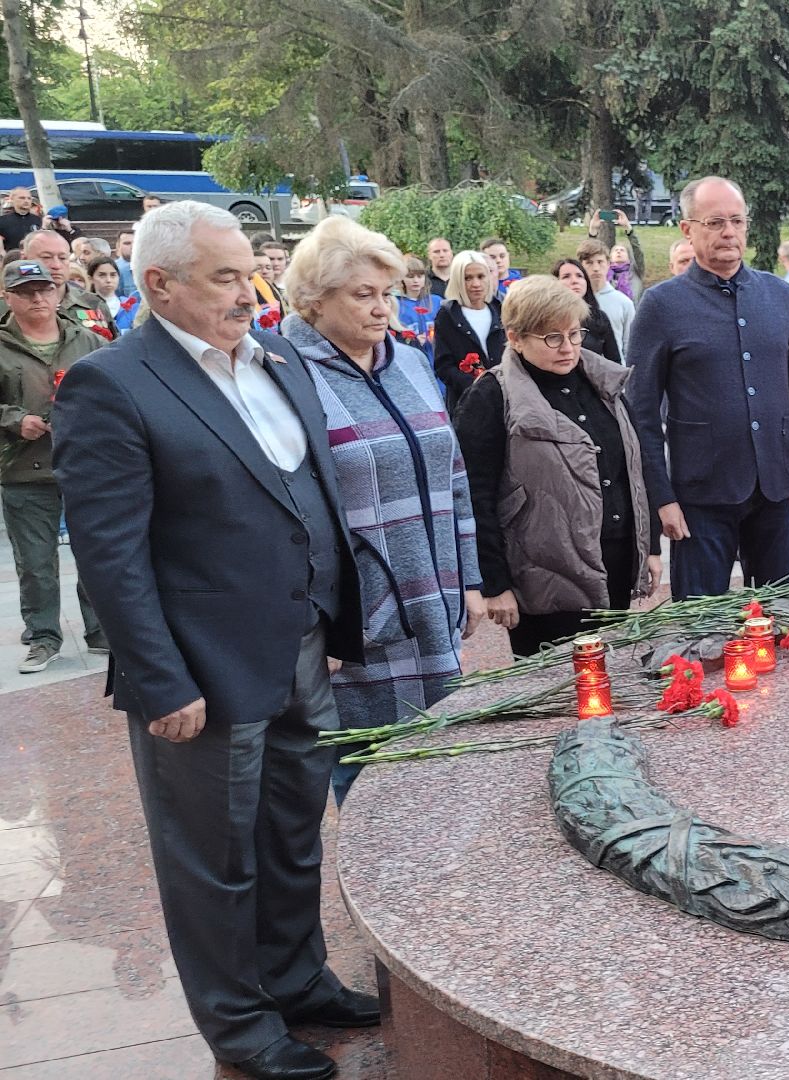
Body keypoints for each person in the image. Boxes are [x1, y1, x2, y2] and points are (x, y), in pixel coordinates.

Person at [52, 200, 379, 1080]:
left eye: (251, 274)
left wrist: (329, 613)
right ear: (158, 284)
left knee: (291, 833)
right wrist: (160, 681)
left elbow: (300, 495)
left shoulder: (274, 360)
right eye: (225, 278)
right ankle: (240, 1026)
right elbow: (111, 555)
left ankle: (297, 980)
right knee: (214, 859)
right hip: (201, 670)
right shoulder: (112, 384)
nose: (248, 293)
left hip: (300, 646)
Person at [276, 216, 484, 803]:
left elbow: (454, 475)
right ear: (314, 300)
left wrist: (470, 579)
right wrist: (316, 621)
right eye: (362, 294)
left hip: (434, 595)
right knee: (369, 773)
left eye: (387, 293)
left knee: (440, 766)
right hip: (358, 613)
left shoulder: (410, 362)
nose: (381, 308)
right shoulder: (286, 374)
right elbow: (285, 511)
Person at [624, 175, 789, 600]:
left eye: (737, 220)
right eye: (715, 222)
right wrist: (661, 498)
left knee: (780, 616)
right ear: (687, 229)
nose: (729, 232)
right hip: (700, 496)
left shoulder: (778, 295)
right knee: (701, 623)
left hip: (775, 488)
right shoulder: (661, 306)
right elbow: (640, 413)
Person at [456, 275, 660, 655]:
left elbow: (634, 466)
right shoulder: (492, 395)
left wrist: (649, 545)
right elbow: (474, 497)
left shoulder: (601, 382)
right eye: (552, 338)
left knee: (609, 674)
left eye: (574, 333)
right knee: (556, 683)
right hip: (543, 579)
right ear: (516, 338)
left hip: (613, 562)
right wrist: (494, 584)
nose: (567, 347)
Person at [0, 259, 106, 673]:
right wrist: (14, 420)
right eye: (26, 292)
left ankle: (101, 630)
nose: (38, 298)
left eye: (45, 289)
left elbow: (112, 392)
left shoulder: (86, 339)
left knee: (96, 552)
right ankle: (43, 637)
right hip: (23, 467)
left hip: (85, 465)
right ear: (8, 297)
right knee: (35, 563)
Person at [432, 249, 505, 416]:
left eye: (481, 276)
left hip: (505, 400)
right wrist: (475, 384)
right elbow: (443, 366)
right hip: (467, 405)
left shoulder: (500, 309)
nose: (476, 284)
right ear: (458, 280)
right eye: (467, 278)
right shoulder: (447, 316)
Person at [16, 230, 115, 340]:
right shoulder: (10, 305)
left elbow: (115, 346)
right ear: (24, 259)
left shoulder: (93, 303)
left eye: (63, 258)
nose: (56, 265)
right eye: (46, 257)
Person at [552, 256, 623, 364]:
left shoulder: (599, 317)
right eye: (566, 276)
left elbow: (614, 361)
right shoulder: (547, 318)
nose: (574, 281)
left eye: (579, 276)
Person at [577, 237, 635, 349]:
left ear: (608, 264)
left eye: (600, 262)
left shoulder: (624, 303)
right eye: (589, 263)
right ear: (581, 266)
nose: (596, 268)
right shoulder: (574, 302)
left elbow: (630, 344)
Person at [394, 255, 441, 344]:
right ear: (402, 279)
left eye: (420, 276)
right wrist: (413, 341)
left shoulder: (436, 301)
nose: (415, 280)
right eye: (410, 276)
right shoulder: (396, 304)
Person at [113, 230, 137, 298]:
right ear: (118, 246)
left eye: (136, 243)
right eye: (127, 243)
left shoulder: (152, 266)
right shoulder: (112, 269)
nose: (133, 247)